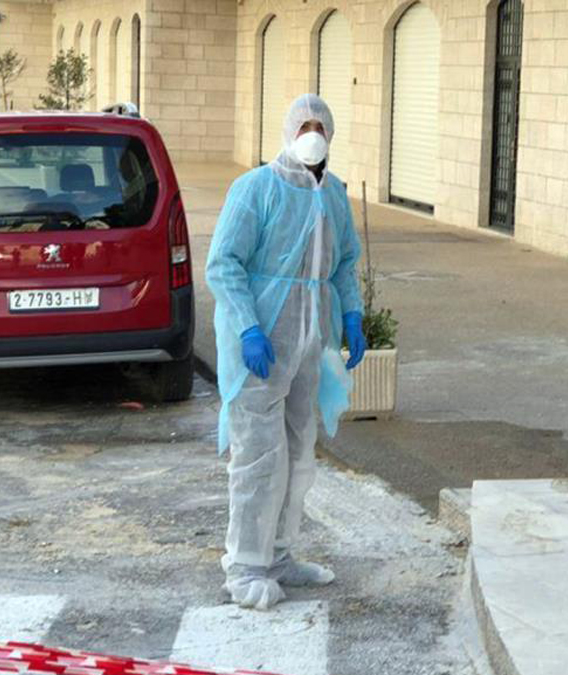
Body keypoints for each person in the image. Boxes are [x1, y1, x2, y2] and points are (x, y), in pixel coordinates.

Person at [205, 94, 366, 611]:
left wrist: (351, 313)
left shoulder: (334, 194)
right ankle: (245, 566)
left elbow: (344, 262)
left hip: (309, 339)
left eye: (320, 125)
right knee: (258, 455)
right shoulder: (256, 188)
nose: (312, 134)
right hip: (261, 341)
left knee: (298, 452)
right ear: (288, 131)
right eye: (304, 125)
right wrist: (248, 327)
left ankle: (277, 555)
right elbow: (224, 263)